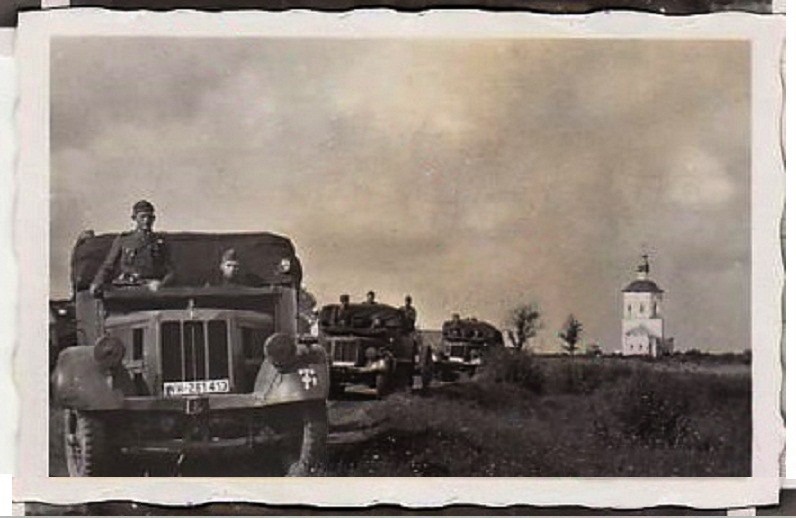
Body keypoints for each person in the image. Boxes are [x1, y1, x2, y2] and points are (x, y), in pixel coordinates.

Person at [90, 200, 174, 296]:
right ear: (134, 218)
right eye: (142, 217)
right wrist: (97, 282)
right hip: (127, 287)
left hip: (150, 288)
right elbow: (108, 266)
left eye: (150, 217)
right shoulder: (124, 240)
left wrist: (160, 284)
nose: (146, 220)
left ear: (154, 219)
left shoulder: (159, 242)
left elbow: (170, 272)